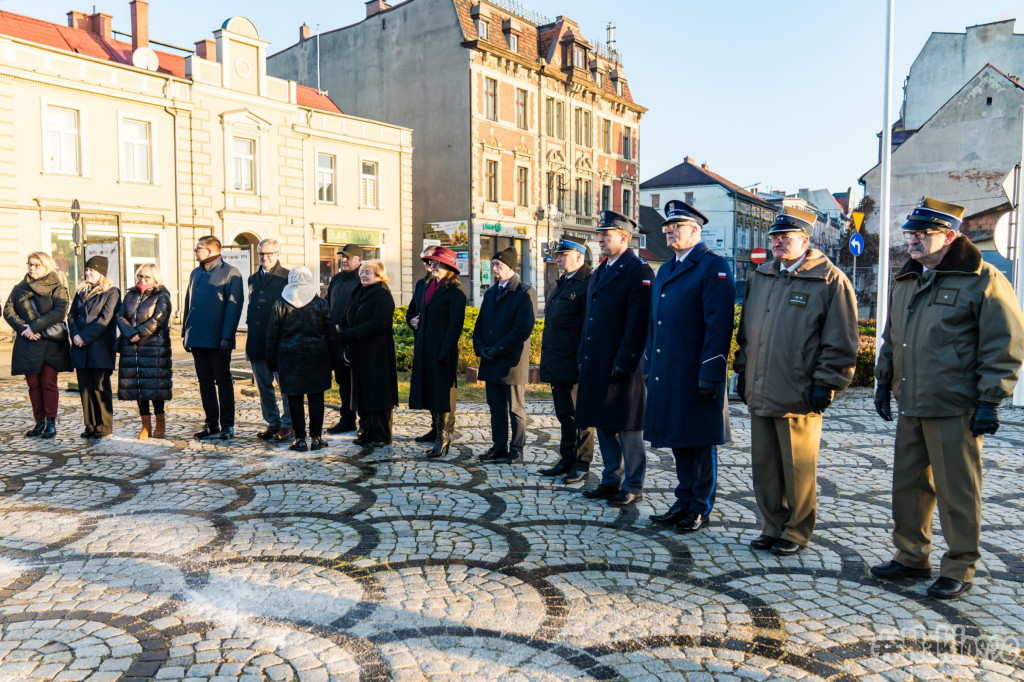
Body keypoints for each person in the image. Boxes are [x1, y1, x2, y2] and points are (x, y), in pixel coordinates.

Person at [872, 197, 1024, 600]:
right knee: (908, 486)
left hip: (956, 404)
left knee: (958, 490)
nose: (914, 241)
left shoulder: (982, 278)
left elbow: (1004, 342)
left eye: (923, 234)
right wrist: (884, 381)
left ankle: (959, 565)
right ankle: (910, 555)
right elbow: (892, 338)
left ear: (950, 235)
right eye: (911, 234)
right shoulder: (907, 280)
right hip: (911, 399)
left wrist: (991, 400)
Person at [734, 207, 858, 555]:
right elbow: (746, 333)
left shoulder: (829, 280)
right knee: (765, 466)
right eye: (774, 237)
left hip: (800, 391)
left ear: (805, 240)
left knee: (798, 467)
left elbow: (841, 340)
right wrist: (741, 371)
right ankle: (772, 524)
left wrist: (827, 383)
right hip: (761, 386)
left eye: (785, 237)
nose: (777, 243)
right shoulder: (761, 277)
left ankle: (797, 530)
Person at [644, 200, 735, 532]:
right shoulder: (666, 269)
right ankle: (683, 500)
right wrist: (648, 364)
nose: (668, 231)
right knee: (680, 439)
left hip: (697, 373)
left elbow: (719, 326)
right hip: (669, 372)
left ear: (695, 230)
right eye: (667, 227)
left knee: (700, 441)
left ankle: (700, 506)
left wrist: (710, 372)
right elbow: (655, 323)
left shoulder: (713, 267)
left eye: (675, 227)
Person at [576, 210, 655, 507]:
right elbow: (590, 319)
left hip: (624, 364)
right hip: (597, 360)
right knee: (604, 422)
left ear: (624, 237)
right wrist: (583, 354)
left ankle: (633, 484)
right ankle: (611, 479)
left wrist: (625, 360)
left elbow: (639, 323)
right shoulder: (601, 270)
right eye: (599, 235)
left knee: (628, 427)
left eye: (605, 235)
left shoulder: (638, 270)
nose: (600, 240)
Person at [537, 238, 595, 484]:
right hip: (558, 361)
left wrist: (583, 361)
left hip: (574, 362)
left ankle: (581, 464)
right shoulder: (564, 282)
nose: (557, 259)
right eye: (557, 256)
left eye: (563, 255)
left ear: (579, 257)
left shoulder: (587, 282)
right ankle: (566, 459)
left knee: (581, 417)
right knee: (564, 415)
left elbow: (587, 327)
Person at [473, 248, 537, 464]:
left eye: (498, 265)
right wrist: (480, 348)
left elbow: (523, 329)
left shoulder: (524, 292)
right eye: (493, 265)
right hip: (490, 359)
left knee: (516, 408)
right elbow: (480, 324)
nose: (494, 269)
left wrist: (498, 349)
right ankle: (499, 446)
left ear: (511, 268)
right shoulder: (491, 292)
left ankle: (517, 448)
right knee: (495, 407)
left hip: (511, 361)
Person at [267, 266, 338, 452]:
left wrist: (272, 361)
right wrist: (334, 360)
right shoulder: (320, 303)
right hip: (317, 357)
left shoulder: (280, 302)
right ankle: (316, 438)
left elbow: (272, 335)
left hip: (289, 358)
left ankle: (299, 439)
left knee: (294, 400)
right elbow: (331, 334)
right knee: (316, 399)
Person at [407, 246, 467, 459]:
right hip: (424, 345)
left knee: (442, 393)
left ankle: (443, 437)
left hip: (443, 348)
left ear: (448, 266)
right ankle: (437, 432)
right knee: (430, 389)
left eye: (437, 263)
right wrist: (411, 320)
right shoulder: (427, 285)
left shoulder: (456, 290)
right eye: (431, 263)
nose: (432, 267)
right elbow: (413, 310)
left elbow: (455, 325)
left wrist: (446, 351)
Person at [4, 252, 72, 439]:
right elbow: (8, 311)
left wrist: (34, 327)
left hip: (50, 343)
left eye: (36, 265)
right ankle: (39, 421)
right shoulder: (20, 288)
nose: (32, 268)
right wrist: (23, 328)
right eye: (30, 264)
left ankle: (50, 422)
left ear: (46, 266)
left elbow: (59, 312)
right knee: (33, 385)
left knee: (48, 383)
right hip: (28, 343)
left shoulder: (57, 287)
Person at [182, 235, 244, 440]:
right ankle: (211, 423)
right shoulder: (195, 273)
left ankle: (227, 425)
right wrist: (185, 332)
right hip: (197, 337)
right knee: (204, 382)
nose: (195, 251)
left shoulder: (230, 273)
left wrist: (227, 337)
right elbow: (188, 304)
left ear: (209, 251)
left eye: (198, 248)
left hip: (218, 339)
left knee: (223, 382)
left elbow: (233, 309)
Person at [342, 259, 399, 447]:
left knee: (378, 393)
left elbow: (378, 322)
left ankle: (381, 434)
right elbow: (348, 312)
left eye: (368, 272)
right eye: (362, 271)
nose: (363, 275)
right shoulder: (358, 290)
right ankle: (365, 430)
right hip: (360, 352)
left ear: (379, 275)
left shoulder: (383, 294)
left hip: (377, 352)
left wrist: (352, 333)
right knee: (363, 392)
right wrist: (342, 327)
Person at [116, 263, 172, 439]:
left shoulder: (162, 295)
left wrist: (139, 333)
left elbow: (159, 319)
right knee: (138, 387)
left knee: (154, 387)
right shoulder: (130, 294)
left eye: (147, 277)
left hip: (153, 348)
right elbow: (120, 315)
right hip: (132, 347)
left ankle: (160, 423)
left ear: (155, 278)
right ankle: (145, 425)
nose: (142, 279)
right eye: (140, 276)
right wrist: (129, 333)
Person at [68, 256, 121, 439]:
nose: (88, 273)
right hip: (80, 347)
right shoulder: (81, 291)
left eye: (92, 270)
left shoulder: (112, 292)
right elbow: (71, 316)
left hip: (100, 347)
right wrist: (75, 335)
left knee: (100, 386)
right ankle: (90, 425)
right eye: (87, 270)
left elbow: (105, 320)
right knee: (85, 388)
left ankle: (104, 425)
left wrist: (84, 337)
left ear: (101, 273)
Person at [246, 238, 292, 442]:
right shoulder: (253, 278)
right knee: (264, 384)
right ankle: (272, 421)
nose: (265, 257)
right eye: (262, 254)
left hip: (280, 341)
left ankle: (289, 423)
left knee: (286, 385)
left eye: (269, 253)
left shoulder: (287, 277)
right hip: (257, 339)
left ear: (277, 253)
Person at [325, 244, 363, 434]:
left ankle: (365, 422)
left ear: (359, 259)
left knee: (358, 382)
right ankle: (347, 419)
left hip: (354, 340)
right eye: (343, 257)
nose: (345, 260)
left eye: (349, 257)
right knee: (342, 382)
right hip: (336, 340)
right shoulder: (337, 279)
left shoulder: (362, 279)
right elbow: (328, 304)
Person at [406, 246, 438, 443]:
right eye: (424, 261)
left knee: (438, 388)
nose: (427, 265)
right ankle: (434, 426)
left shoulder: (445, 284)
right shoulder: (420, 284)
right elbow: (411, 309)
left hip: (436, 342)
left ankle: (443, 428)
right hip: (421, 340)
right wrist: (412, 320)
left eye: (430, 260)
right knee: (426, 386)